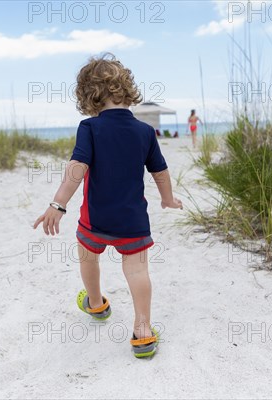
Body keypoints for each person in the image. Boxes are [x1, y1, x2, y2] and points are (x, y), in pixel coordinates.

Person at [33, 53, 182, 359]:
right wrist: (167, 198)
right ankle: (142, 331)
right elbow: (160, 170)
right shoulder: (144, 131)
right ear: (127, 89)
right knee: (138, 270)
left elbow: (77, 168)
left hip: (95, 220)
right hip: (133, 222)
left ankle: (96, 302)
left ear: (89, 97)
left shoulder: (90, 128)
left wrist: (58, 204)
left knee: (88, 256)